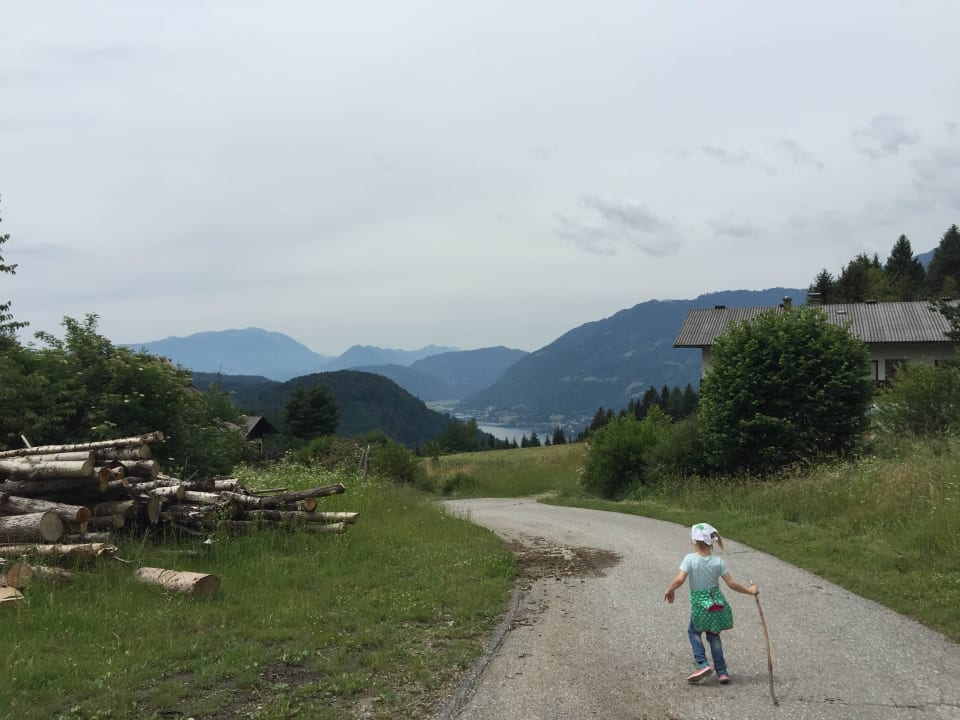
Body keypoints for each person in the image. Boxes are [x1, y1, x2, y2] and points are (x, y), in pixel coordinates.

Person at [663, 522, 758, 684]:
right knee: (713, 635)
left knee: (694, 632)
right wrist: (750, 591)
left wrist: (670, 589)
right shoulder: (718, 562)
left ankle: (702, 664)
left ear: (694, 540)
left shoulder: (689, 559)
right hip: (716, 604)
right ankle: (722, 671)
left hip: (701, 606)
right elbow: (731, 584)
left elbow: (680, 579)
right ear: (712, 541)